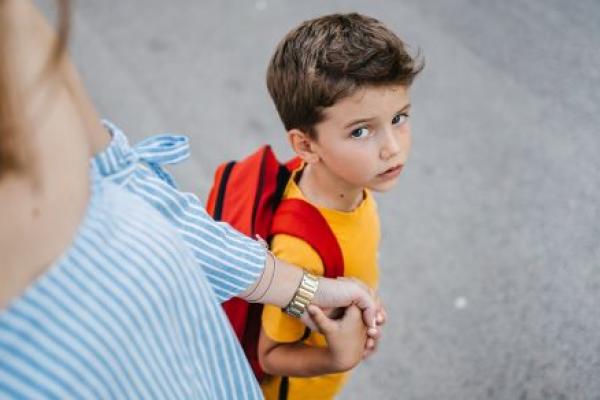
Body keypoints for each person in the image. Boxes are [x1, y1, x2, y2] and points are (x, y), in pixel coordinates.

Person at [0, 2, 381, 398]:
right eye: (361, 131)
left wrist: (305, 291)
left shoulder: (13, 30)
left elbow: (133, 184)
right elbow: (272, 355)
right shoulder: (300, 240)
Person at [257, 13, 424, 400]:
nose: (392, 148)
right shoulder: (299, 252)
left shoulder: (351, 185)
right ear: (306, 146)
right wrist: (339, 357)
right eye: (360, 131)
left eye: (399, 118)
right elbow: (270, 355)